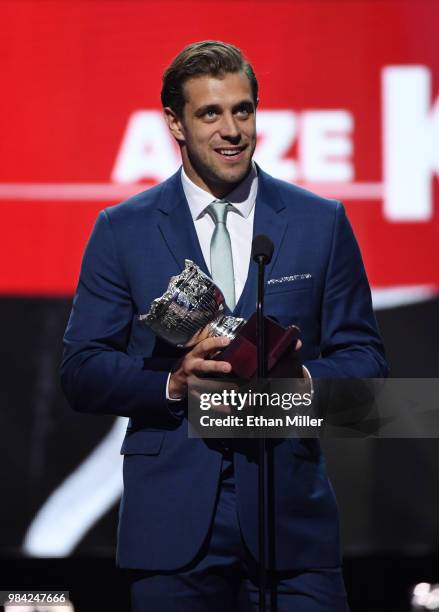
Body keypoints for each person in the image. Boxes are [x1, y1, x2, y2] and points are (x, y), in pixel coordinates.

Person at [61, 40, 388, 611]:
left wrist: (301, 382)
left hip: (291, 523)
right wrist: (172, 385)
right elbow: (82, 370)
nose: (232, 129)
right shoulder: (123, 230)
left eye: (244, 110)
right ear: (176, 123)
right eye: (210, 113)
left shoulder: (320, 222)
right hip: (173, 528)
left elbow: (368, 365)